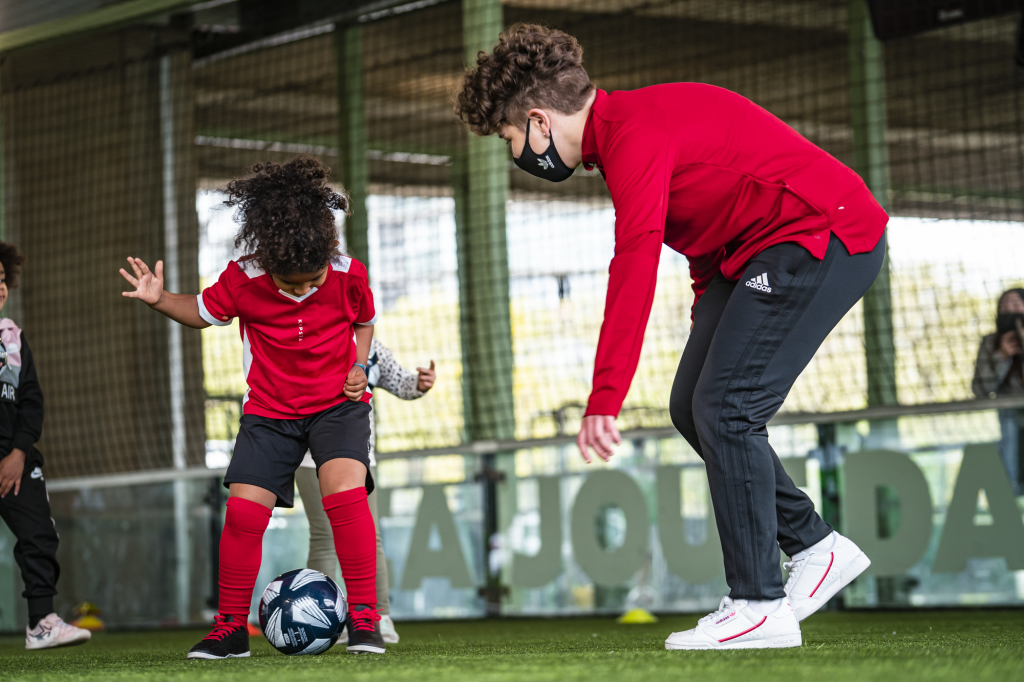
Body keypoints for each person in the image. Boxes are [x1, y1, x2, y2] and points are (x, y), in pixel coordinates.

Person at [456, 24, 884, 650]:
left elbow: (632, 265)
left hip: (822, 235)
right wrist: (707, 323)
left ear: (541, 123)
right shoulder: (620, 135)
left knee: (726, 408)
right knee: (693, 404)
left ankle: (759, 604)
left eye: (511, 137)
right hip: (757, 252)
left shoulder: (634, 136)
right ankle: (817, 547)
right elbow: (712, 229)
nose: (516, 151)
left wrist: (604, 398)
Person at [120, 156, 386, 658]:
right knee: (243, 513)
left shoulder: (348, 274)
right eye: (292, 284)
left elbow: (365, 320)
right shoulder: (243, 279)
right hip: (269, 412)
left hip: (337, 406)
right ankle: (229, 630)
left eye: (312, 281)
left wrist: (359, 364)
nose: (304, 290)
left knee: (344, 494)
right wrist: (158, 299)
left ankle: (366, 620)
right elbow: (200, 312)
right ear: (269, 261)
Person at [296, 338, 435, 644]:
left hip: (357, 456)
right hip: (308, 456)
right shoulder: (303, 334)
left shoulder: (374, 347)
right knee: (324, 537)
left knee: (369, 535)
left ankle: (378, 616)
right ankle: (321, 620)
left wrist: (421, 384)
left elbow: (400, 382)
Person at [0, 243, 92, 650]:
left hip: (14, 459)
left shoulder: (13, 337)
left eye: (2, 280)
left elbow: (32, 401)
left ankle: (41, 623)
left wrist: (19, 452)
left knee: (39, 534)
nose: (0, 288)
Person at [972, 288, 1024, 493]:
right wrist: (1001, 356)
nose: (1009, 311)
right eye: (1003, 307)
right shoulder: (989, 342)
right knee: (1010, 479)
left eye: (1015, 305)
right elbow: (979, 389)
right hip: (1008, 423)